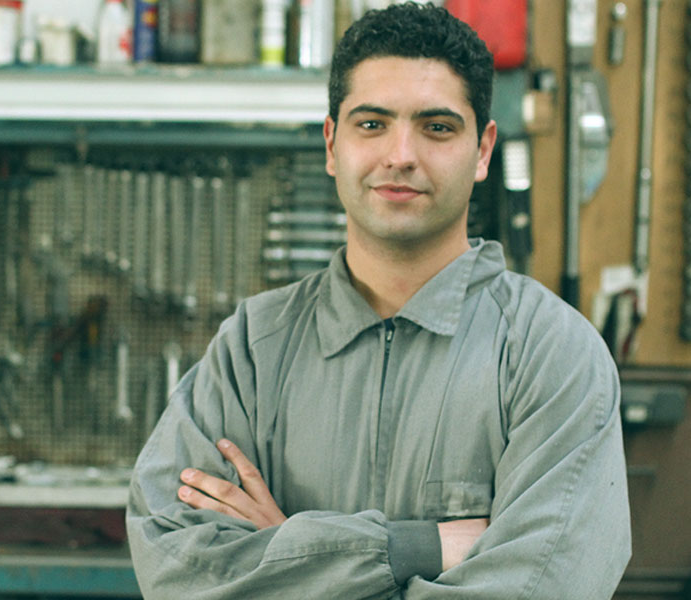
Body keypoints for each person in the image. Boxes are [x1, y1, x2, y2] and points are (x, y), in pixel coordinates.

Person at [125, 3, 631, 598]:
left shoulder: (551, 354)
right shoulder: (252, 349)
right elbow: (177, 570)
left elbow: (545, 587)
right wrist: (422, 548)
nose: (401, 155)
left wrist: (290, 547)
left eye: (436, 127)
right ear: (332, 144)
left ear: (483, 150)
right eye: (372, 124)